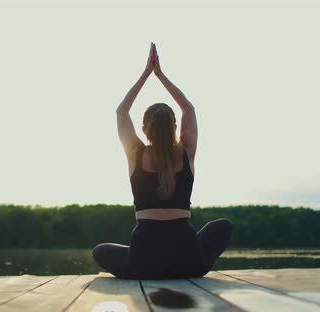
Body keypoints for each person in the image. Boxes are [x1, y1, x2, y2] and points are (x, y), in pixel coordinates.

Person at [93, 42, 233, 279]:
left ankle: (141, 257)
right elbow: (188, 109)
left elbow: (121, 112)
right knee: (223, 226)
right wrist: (161, 75)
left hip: (142, 262)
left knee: (100, 251)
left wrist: (146, 73)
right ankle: (188, 262)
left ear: (144, 128)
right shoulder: (187, 151)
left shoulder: (135, 153)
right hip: (188, 261)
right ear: (175, 127)